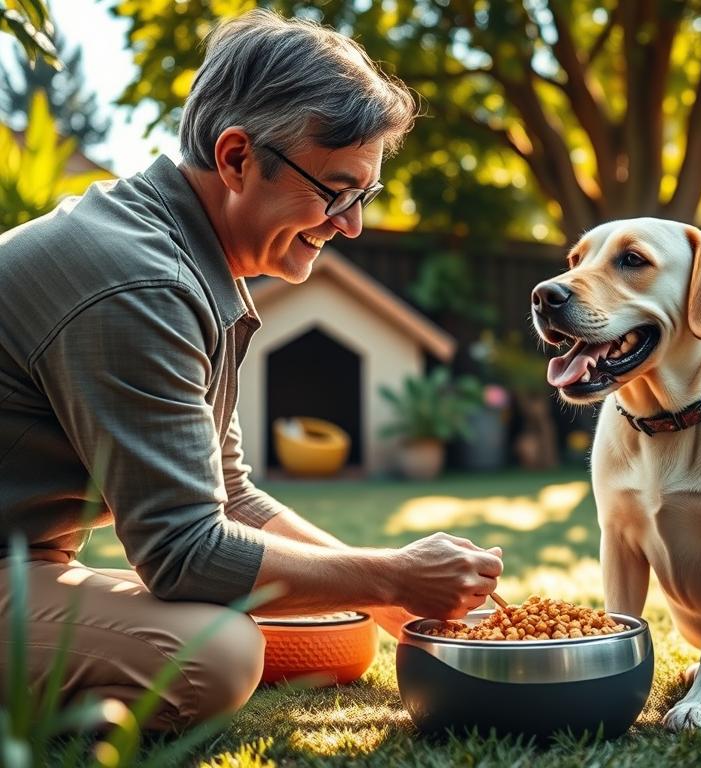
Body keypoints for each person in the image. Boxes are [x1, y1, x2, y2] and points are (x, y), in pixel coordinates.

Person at [0, 10, 502, 731]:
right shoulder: (140, 283)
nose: (351, 224)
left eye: (364, 195)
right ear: (236, 158)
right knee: (218, 655)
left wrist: (391, 602)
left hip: (23, 567)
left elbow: (229, 496)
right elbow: (182, 550)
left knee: (335, 627)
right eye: (336, 190)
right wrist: (394, 572)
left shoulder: (182, 258)